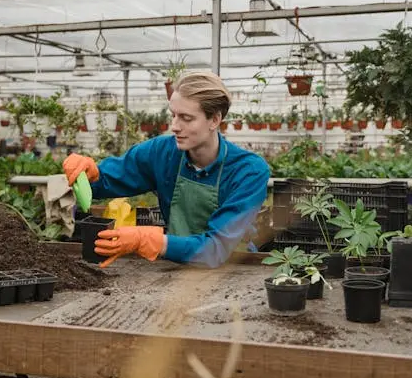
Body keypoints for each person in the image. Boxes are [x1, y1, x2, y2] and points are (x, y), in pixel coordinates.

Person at [63, 71, 270, 268]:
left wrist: (150, 240)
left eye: (186, 118)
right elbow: (108, 181)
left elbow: (215, 249)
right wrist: (88, 174)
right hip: (177, 267)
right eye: (173, 115)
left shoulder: (248, 171)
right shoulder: (161, 153)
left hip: (236, 270)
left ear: (214, 120)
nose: (175, 126)